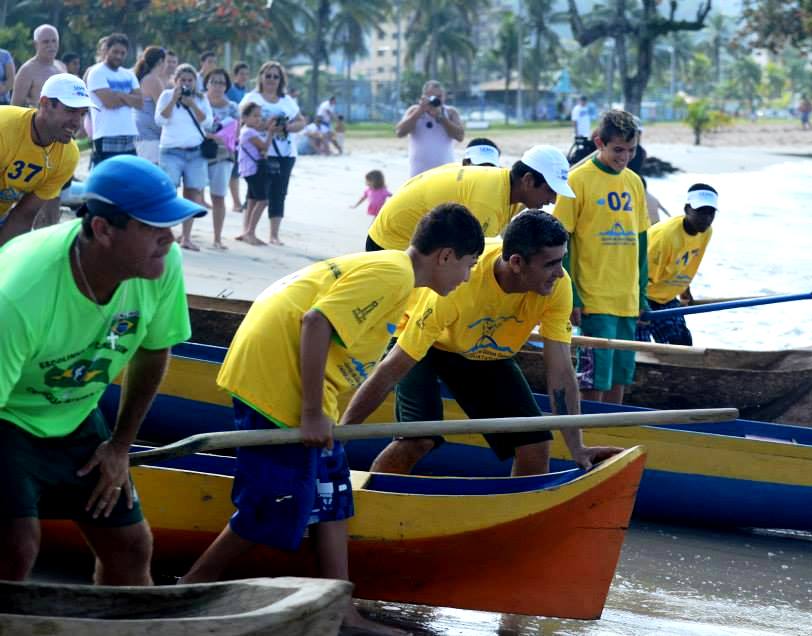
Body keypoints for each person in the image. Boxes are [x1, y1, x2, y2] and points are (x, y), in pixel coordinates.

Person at [178, 204, 485, 636]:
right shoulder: (393, 275)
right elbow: (316, 321)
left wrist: (325, 411)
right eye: (470, 265)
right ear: (446, 256)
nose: (468, 277)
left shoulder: (404, 281)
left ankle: (340, 611)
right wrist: (309, 413)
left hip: (298, 385)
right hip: (276, 384)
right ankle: (188, 591)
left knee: (335, 496)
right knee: (272, 502)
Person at [0, 154, 205, 584]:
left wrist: (119, 445)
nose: (169, 239)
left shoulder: (159, 266)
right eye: (153, 227)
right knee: (16, 545)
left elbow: (152, 352)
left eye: (170, 225)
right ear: (102, 229)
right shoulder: (19, 294)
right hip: (8, 418)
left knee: (132, 548)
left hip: (75, 418)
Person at [341, 210, 622, 476]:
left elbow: (560, 372)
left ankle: (519, 519)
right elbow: (391, 369)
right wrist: (341, 435)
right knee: (418, 439)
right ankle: (368, 501)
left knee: (535, 444)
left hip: (483, 350)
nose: (560, 273)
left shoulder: (558, 287)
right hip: (425, 344)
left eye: (562, 260)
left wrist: (577, 446)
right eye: (550, 263)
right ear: (516, 262)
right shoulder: (459, 286)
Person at [554, 109, 648, 405]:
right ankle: (589, 435)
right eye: (618, 150)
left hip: (627, 300)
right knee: (594, 377)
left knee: (621, 374)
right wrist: (572, 295)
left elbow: (641, 243)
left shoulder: (634, 182)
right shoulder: (577, 181)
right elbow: (561, 240)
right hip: (594, 298)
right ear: (599, 143)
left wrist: (641, 294)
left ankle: (612, 433)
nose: (624, 157)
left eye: (631, 150)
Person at [366, 144, 573, 251]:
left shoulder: (506, 187)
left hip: (415, 240)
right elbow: (478, 263)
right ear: (528, 180)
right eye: (550, 190)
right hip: (391, 242)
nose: (553, 200)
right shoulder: (487, 201)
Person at [0, 73, 86, 247]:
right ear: (45, 104)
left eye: (83, 113)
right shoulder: (4, 127)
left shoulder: (68, 155)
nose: (77, 122)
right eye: (70, 111)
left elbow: (24, 215)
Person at [638, 183, 717, 347]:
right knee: (640, 350)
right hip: (639, 296)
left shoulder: (706, 232)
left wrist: (684, 290)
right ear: (687, 209)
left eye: (711, 213)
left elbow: (687, 263)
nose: (706, 218)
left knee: (682, 345)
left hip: (665, 297)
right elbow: (638, 275)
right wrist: (639, 306)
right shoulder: (664, 237)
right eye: (701, 212)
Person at [238, 61, 306, 245]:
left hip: (285, 153)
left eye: (276, 76)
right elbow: (243, 121)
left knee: (279, 193)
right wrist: (268, 125)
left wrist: (286, 127)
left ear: (281, 80)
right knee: (255, 193)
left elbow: (301, 122)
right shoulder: (252, 98)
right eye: (268, 75)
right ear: (260, 77)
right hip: (259, 152)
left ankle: (274, 234)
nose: (271, 80)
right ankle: (247, 231)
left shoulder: (287, 100)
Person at [155, 63, 212, 251]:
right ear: (176, 81)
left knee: (192, 193)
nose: (187, 83)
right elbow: (160, 120)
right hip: (171, 151)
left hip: (195, 152)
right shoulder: (166, 95)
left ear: (195, 82)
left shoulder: (201, 99)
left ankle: (186, 236)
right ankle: (166, 235)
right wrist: (173, 100)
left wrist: (193, 104)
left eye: (190, 80)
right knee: (169, 192)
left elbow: (208, 122)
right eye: (183, 80)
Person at [87, 33, 142, 167]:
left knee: (128, 180)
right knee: (107, 180)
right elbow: (110, 103)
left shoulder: (129, 74)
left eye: (122, 53)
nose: (118, 56)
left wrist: (119, 94)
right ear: (106, 50)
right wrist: (128, 97)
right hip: (106, 136)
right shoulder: (96, 73)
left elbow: (140, 103)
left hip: (129, 135)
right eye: (115, 52)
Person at [395, 79, 464, 177]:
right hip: (418, 174)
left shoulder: (450, 112)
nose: (436, 100)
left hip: (445, 173)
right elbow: (400, 132)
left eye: (439, 96)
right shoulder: (414, 111)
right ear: (424, 96)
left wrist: (441, 117)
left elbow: (460, 136)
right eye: (432, 96)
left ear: (444, 96)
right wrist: (420, 111)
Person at [204, 67, 239, 250]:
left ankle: (217, 237)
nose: (218, 86)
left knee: (218, 197)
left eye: (222, 83)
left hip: (223, 155)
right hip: (197, 154)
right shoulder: (199, 102)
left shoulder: (232, 107)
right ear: (207, 83)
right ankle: (186, 235)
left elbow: (235, 133)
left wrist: (214, 135)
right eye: (214, 81)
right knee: (192, 194)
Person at [235, 102, 278, 245]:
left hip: (248, 169)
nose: (258, 119)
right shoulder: (250, 132)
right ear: (245, 117)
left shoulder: (245, 130)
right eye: (255, 116)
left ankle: (247, 231)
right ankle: (250, 232)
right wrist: (271, 132)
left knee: (253, 199)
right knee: (263, 201)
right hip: (254, 170)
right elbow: (264, 146)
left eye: (260, 116)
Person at [11, 25, 65, 108]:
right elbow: (15, 107)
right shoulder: (27, 70)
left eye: (54, 41)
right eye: (46, 42)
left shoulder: (61, 67)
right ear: (36, 44)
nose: (51, 45)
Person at [132, 46, 166, 165]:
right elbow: (163, 109)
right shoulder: (152, 80)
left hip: (144, 133)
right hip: (150, 136)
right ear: (161, 61)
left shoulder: (145, 78)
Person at [226, 62, 251, 212]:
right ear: (235, 75)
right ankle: (236, 202)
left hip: (246, 134)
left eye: (247, 74)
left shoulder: (247, 92)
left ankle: (246, 201)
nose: (244, 77)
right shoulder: (230, 91)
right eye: (241, 73)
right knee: (234, 169)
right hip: (232, 134)